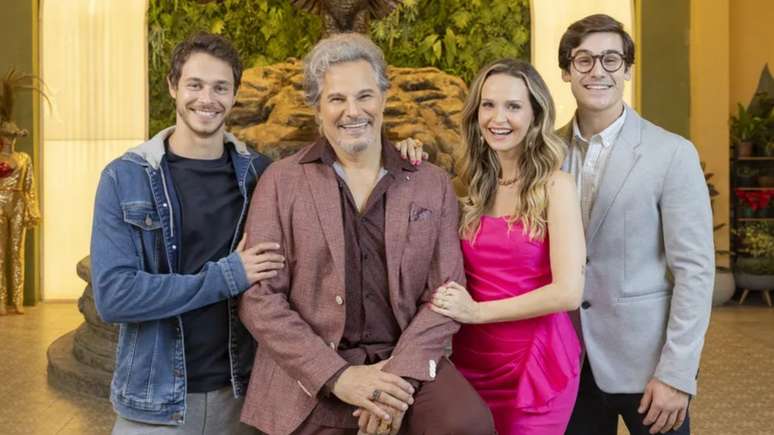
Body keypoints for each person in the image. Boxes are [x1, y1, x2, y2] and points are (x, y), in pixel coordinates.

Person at [237, 32, 495, 435]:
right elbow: (259, 299)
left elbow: (446, 293)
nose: (352, 111)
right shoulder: (280, 181)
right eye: (336, 99)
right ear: (317, 108)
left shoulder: (430, 182)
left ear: (384, 98)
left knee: (468, 425)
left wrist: (397, 382)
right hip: (314, 366)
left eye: (364, 96)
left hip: (405, 355)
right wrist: (339, 377)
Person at [91, 32, 284, 434]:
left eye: (220, 88)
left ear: (234, 94)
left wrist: (401, 154)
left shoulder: (260, 175)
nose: (207, 99)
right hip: (153, 404)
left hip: (242, 400)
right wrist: (226, 277)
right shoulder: (124, 178)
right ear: (173, 87)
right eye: (195, 85)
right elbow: (114, 296)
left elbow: (327, 181)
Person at [555, 14, 714, 435]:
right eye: (584, 60)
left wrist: (677, 374)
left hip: (648, 366)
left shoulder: (671, 153)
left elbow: (695, 272)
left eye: (611, 59)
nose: (598, 71)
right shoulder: (545, 152)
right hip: (566, 363)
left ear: (627, 69)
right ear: (567, 71)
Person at [428, 58, 586, 435]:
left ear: (535, 115)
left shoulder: (556, 187)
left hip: (536, 364)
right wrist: (407, 155)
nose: (498, 118)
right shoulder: (464, 187)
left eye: (513, 106)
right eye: (488, 105)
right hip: (471, 359)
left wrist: (477, 312)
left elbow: (568, 292)